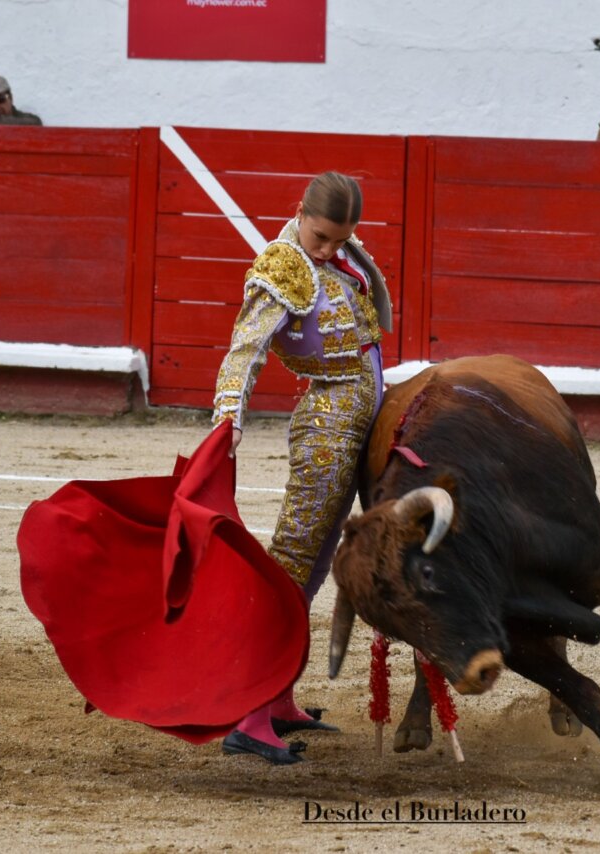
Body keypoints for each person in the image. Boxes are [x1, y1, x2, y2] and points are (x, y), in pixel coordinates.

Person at [211, 171, 392, 764]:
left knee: (313, 570)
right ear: (300, 213)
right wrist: (227, 419)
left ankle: (279, 699)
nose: (328, 251)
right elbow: (245, 348)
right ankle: (250, 715)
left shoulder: (339, 255)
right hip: (326, 430)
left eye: (339, 241)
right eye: (320, 237)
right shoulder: (285, 265)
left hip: (357, 414)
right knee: (291, 565)